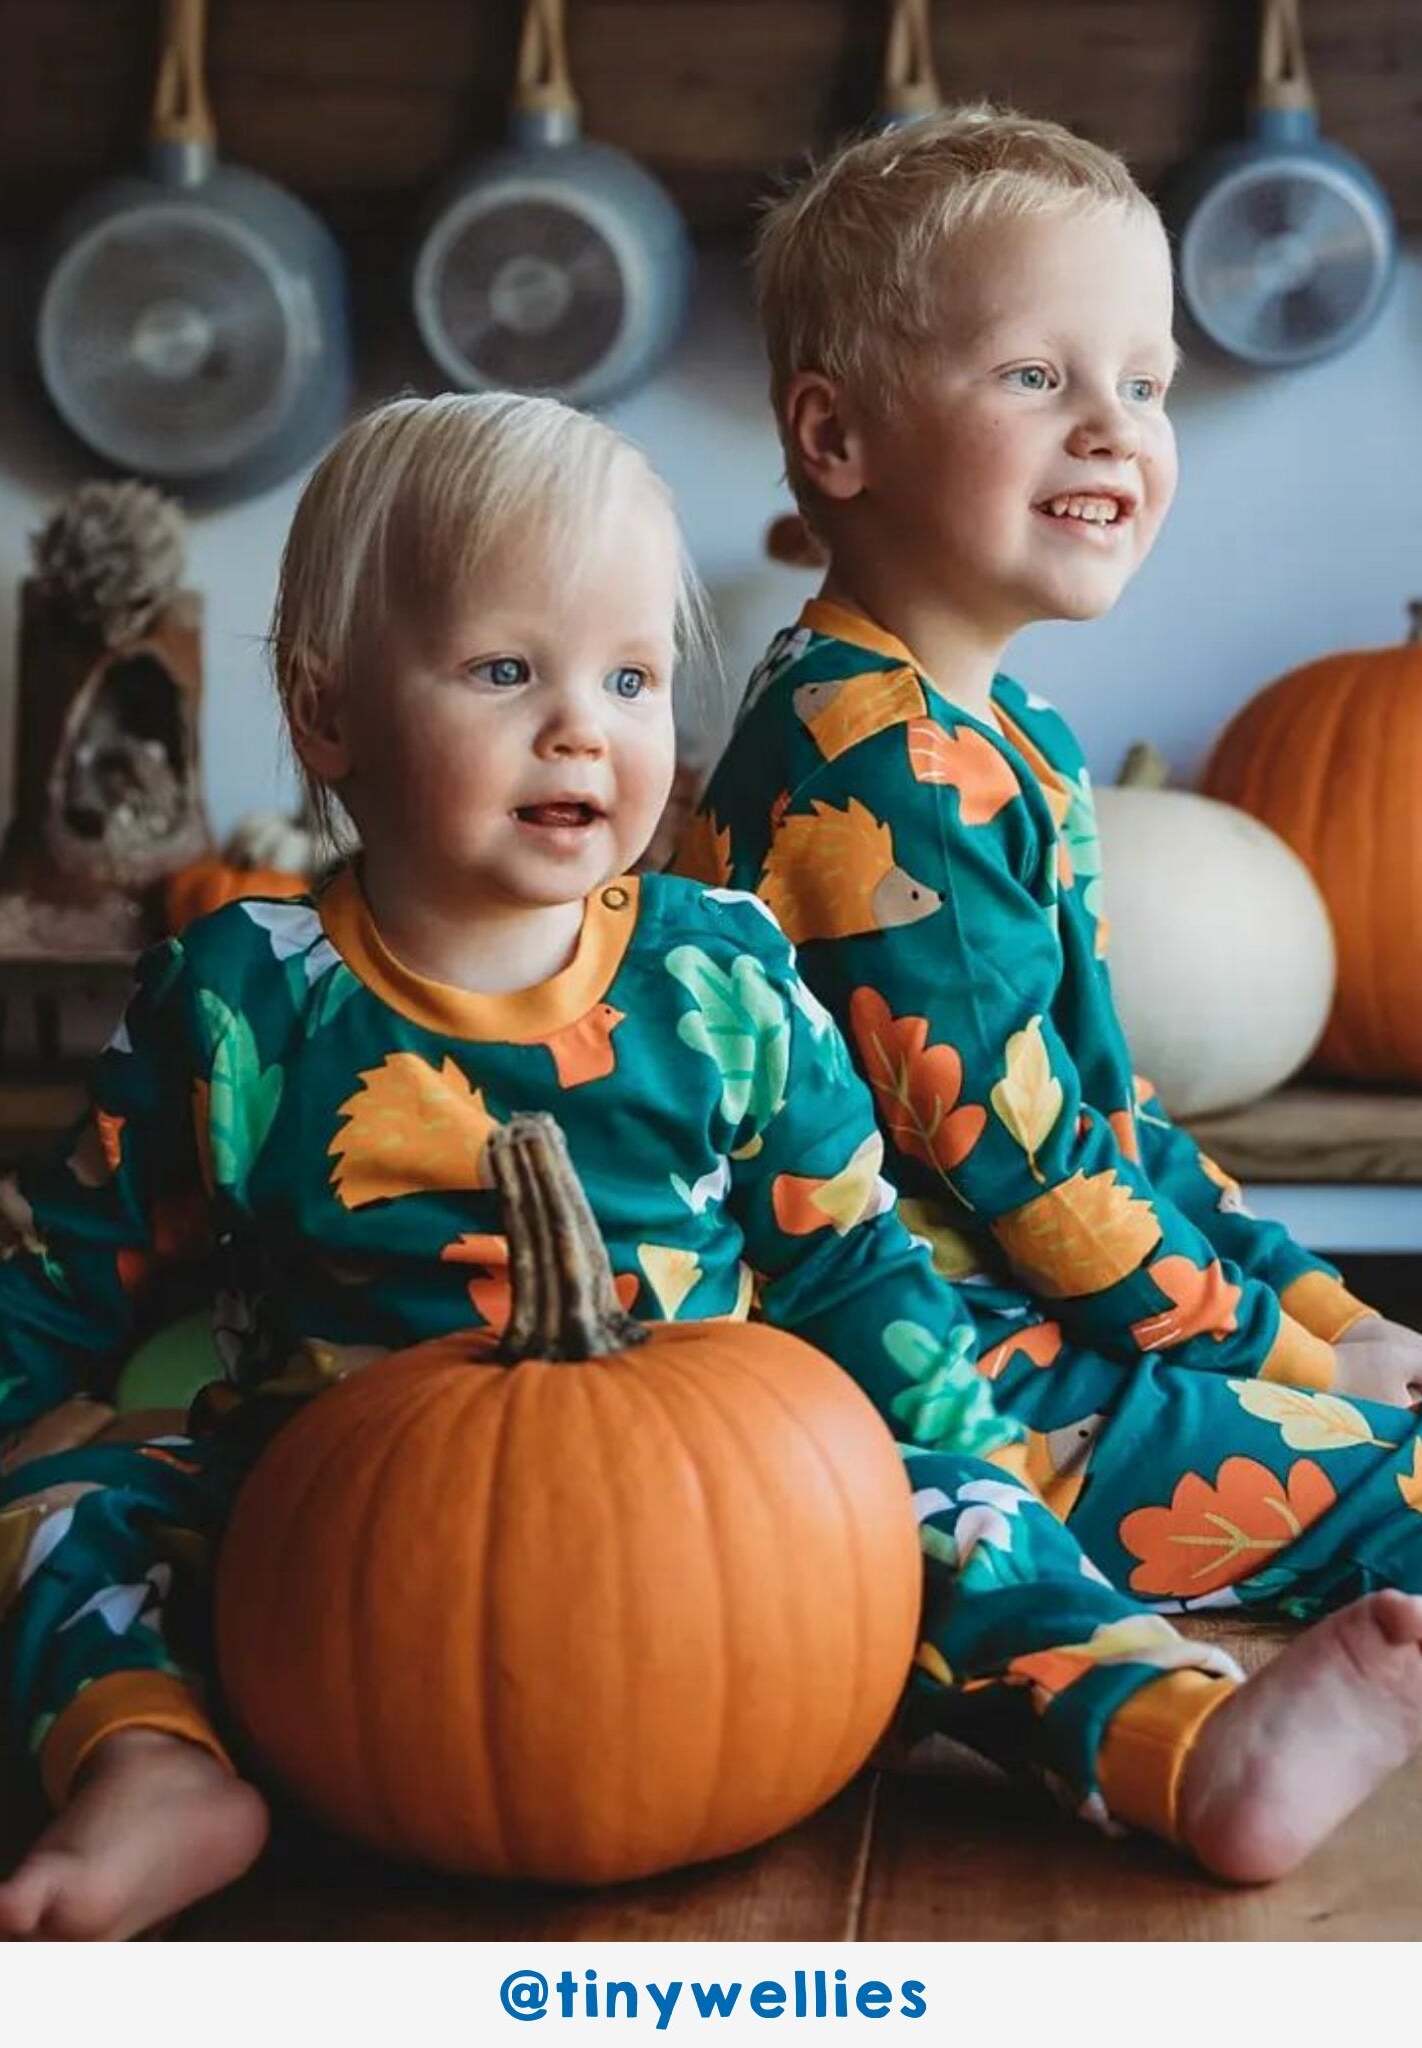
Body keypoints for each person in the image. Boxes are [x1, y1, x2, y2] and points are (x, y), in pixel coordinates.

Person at [0, 393, 1416, 1945]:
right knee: (80, 1498)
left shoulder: (714, 973)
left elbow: (849, 1263)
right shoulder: (238, 994)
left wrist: (998, 1497)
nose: (578, 726)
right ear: (327, 713)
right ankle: (153, 1765)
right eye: (501, 670)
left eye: (628, 676)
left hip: (706, 1537)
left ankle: (1183, 1750)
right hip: (343, 1561)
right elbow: (77, 1278)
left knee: (940, 1501)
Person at [676, 94, 1422, 1845]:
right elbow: (1039, 1180)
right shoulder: (867, 766)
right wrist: (1298, 1374)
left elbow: (1113, 1114)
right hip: (927, 1387)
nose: (1113, 426)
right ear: (835, 435)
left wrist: (1317, 1315)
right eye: (1036, 377)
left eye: (1144, 384)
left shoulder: (998, 734)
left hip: (1042, 1320)